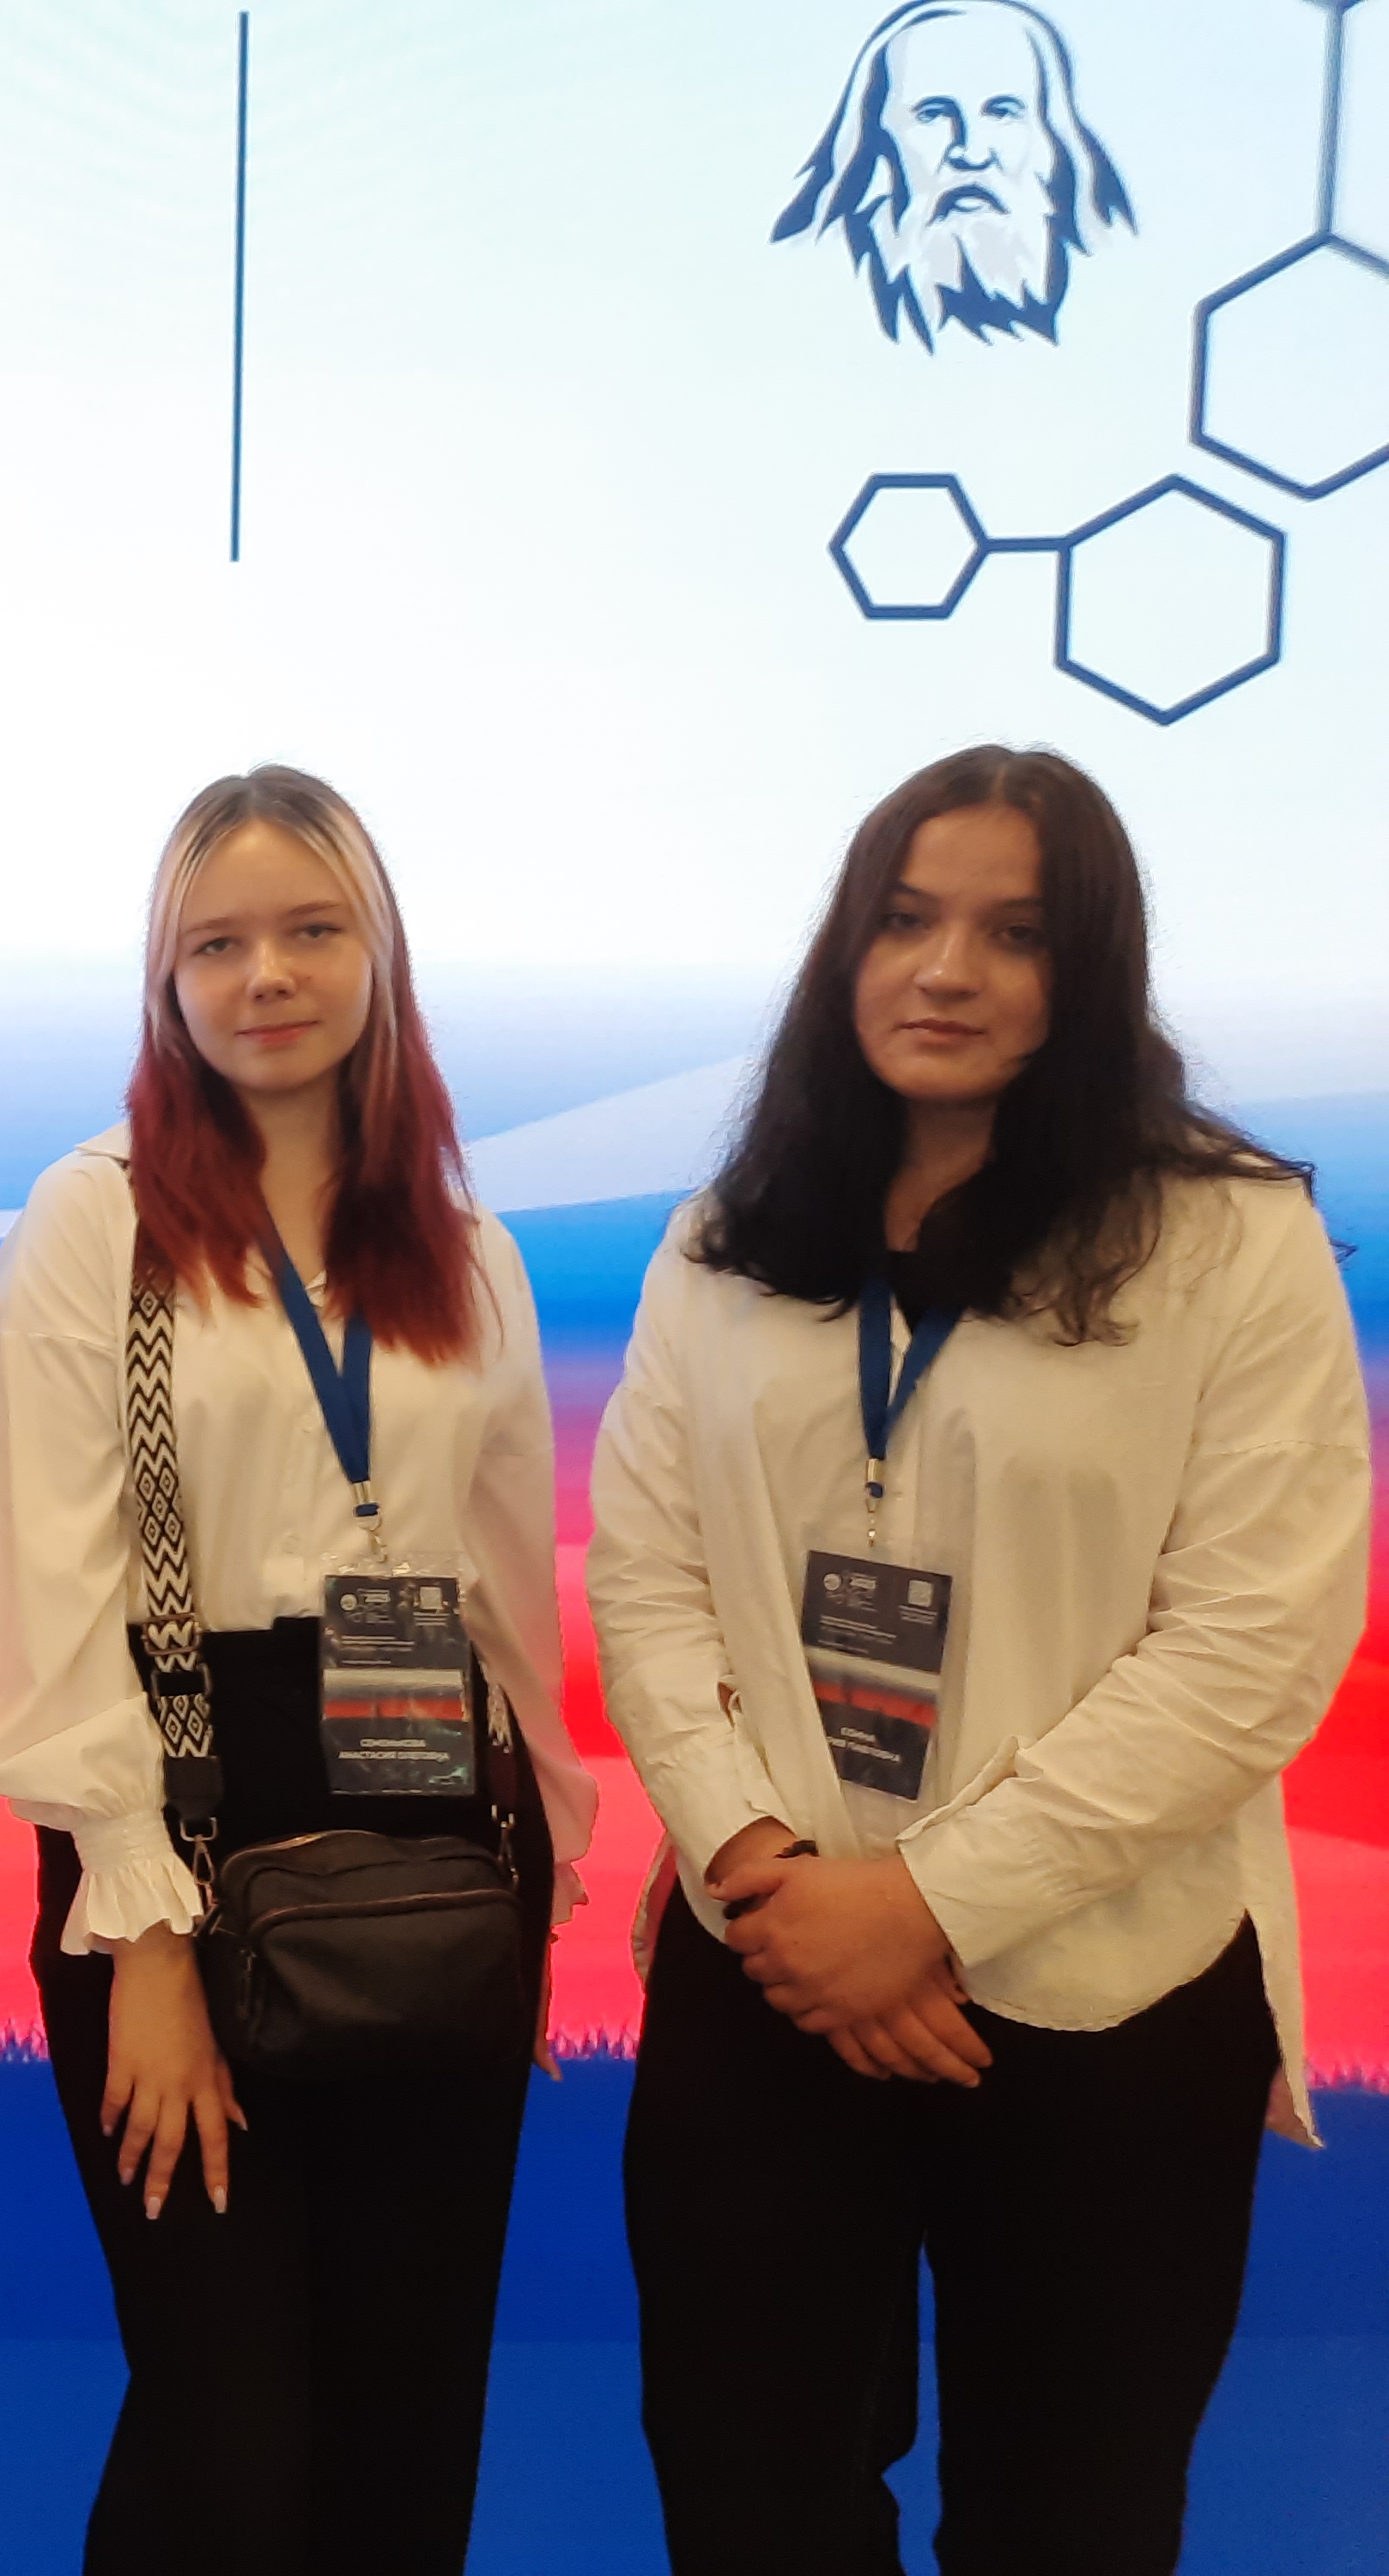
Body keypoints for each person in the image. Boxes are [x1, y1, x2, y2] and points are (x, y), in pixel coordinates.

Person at [589, 746, 1368, 2576]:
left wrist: (927, 1905)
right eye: (905, 920)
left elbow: (1252, 1644)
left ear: (1089, 968)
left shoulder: (1225, 1236)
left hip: (1102, 1989)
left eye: (1013, 934)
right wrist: (767, 1870)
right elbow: (645, 1579)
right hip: (763, 1960)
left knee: (1068, 2520)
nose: (945, 970)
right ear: (842, 949)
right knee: (749, 2501)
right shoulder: (726, 1238)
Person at [0, 766, 595, 2573]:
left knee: (405, 2430)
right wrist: (143, 1943)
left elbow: (503, 1592)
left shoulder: (467, 1247)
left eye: (311, 930)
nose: (267, 976)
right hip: (177, 1830)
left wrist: (541, 1880)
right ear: (163, 981)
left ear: (379, 953)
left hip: (441, 1837)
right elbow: (41, 1594)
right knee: (224, 2450)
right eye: (215, 943)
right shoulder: (97, 1222)